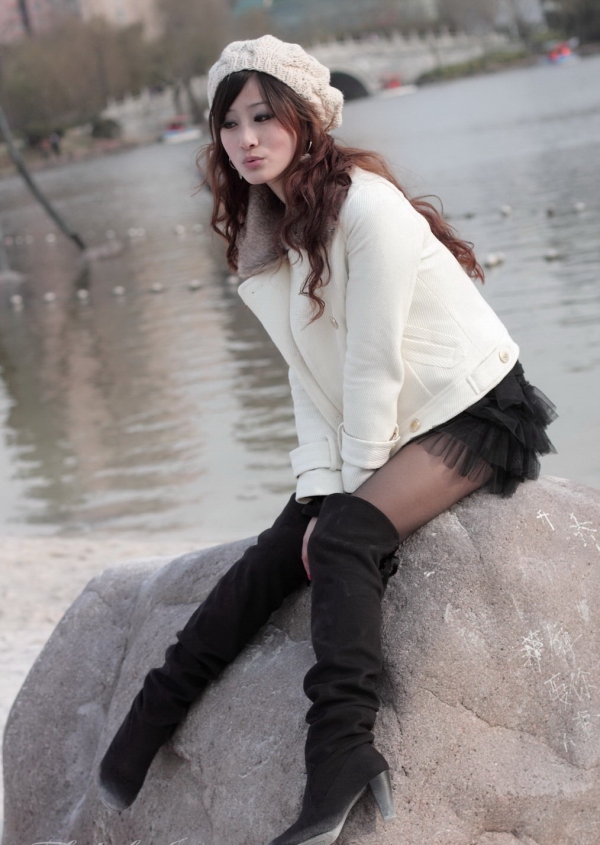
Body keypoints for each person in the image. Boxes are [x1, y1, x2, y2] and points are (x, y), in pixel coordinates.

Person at [96, 34, 557, 845]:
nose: (247, 139)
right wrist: (316, 489)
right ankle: (148, 718)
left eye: (264, 117)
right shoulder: (267, 229)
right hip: (391, 420)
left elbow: (372, 368)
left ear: (307, 119)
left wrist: (343, 502)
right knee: (277, 550)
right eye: (230, 123)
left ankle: (341, 752)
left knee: (342, 536)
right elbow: (311, 379)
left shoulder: (367, 210)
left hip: (472, 408)